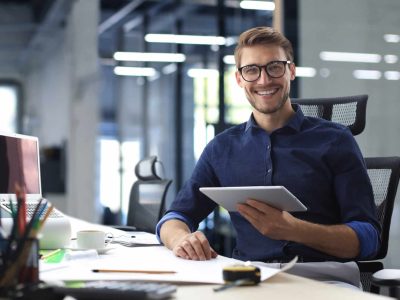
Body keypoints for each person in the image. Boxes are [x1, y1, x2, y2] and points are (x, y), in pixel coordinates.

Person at [156, 27, 380, 285]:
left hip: (324, 278)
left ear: (291, 71)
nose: (263, 81)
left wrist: (295, 230)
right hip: (251, 277)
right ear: (239, 79)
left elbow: (368, 239)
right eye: (251, 70)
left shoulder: (336, 140)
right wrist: (182, 239)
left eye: (274, 67)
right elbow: (175, 218)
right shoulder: (222, 148)